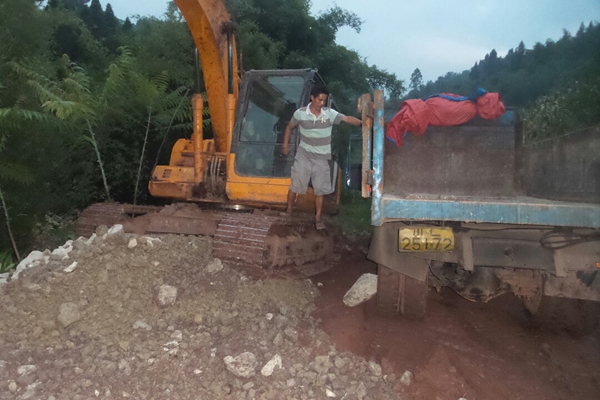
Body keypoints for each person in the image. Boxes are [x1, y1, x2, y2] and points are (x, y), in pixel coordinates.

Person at [282, 85, 362, 230]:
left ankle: (318, 219)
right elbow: (289, 127)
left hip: (321, 158)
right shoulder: (300, 114)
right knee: (296, 184)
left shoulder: (329, 113)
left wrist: (363, 124)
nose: (322, 103)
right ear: (312, 98)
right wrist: (285, 145)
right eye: (319, 100)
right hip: (304, 155)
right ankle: (289, 212)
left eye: (324, 100)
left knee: (320, 190)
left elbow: (347, 118)